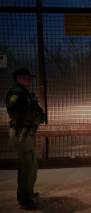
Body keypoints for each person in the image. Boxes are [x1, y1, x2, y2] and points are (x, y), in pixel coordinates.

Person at [6, 68, 45, 210]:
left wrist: (38, 114)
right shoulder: (16, 93)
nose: (29, 80)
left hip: (28, 133)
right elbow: (15, 113)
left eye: (30, 78)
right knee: (26, 166)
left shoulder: (27, 94)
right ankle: (24, 198)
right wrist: (32, 114)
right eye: (26, 78)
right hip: (20, 133)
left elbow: (38, 111)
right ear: (19, 78)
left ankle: (28, 192)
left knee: (32, 165)